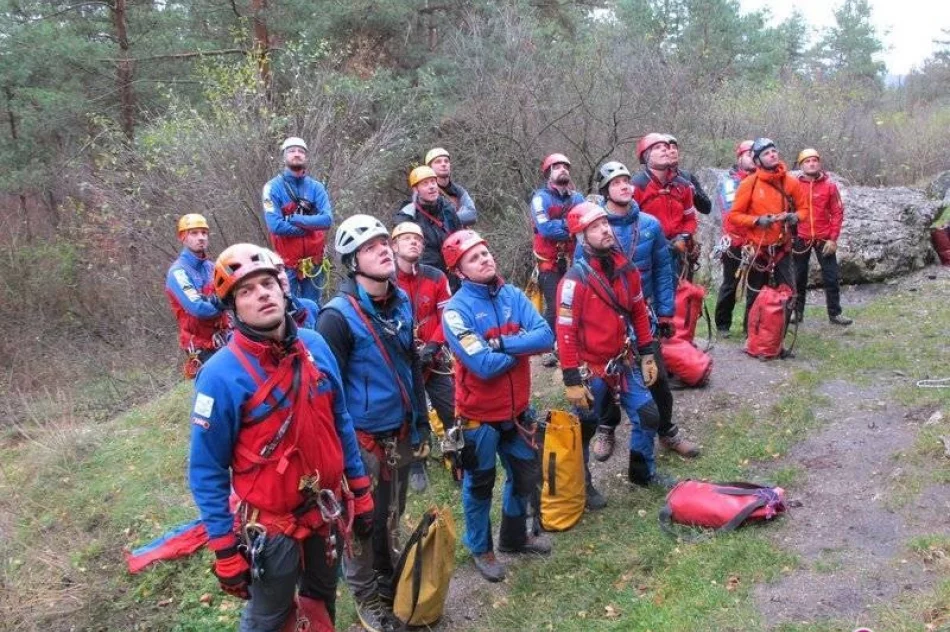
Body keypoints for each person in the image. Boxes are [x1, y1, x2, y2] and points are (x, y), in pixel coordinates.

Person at [188, 243, 373, 632]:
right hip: (272, 528)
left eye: (268, 283)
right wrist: (224, 546)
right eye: (246, 290)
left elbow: (339, 419)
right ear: (233, 307)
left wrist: (359, 486)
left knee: (321, 600)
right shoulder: (220, 376)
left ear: (283, 288)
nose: (262, 294)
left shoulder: (316, 345)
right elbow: (207, 470)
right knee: (268, 618)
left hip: (326, 510)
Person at [316, 214, 430, 632]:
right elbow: (326, 393)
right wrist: (342, 458)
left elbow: (411, 366)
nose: (383, 249)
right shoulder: (335, 318)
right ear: (352, 262)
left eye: (384, 242)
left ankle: (387, 575)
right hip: (361, 441)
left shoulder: (401, 301)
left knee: (390, 513)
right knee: (362, 521)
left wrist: (420, 426)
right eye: (370, 247)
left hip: (398, 432)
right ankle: (367, 598)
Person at [440, 229, 555, 583]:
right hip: (479, 418)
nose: (485, 259)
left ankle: (514, 537)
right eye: (473, 258)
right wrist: (522, 348)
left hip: (518, 411)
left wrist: (500, 344)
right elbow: (483, 366)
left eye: (485, 252)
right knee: (479, 484)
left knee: (524, 476)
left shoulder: (512, 295)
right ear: (459, 271)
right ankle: (481, 548)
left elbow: (546, 335)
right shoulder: (455, 312)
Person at [581, 162, 701, 463]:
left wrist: (664, 313)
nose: (625, 186)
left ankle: (667, 431)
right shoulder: (593, 229)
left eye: (626, 181)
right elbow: (580, 276)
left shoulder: (650, 225)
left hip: (641, 312)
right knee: (607, 376)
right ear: (605, 190)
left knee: (656, 375)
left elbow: (662, 270)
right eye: (616, 183)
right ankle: (607, 428)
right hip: (606, 318)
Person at [557, 202, 665, 506]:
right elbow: (564, 332)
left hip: (623, 358)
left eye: (605, 223)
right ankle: (583, 484)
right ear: (581, 236)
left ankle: (642, 473)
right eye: (595, 226)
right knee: (587, 424)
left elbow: (639, 313)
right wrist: (571, 378)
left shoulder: (626, 269)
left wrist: (647, 353)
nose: (605, 229)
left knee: (647, 415)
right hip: (590, 367)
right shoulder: (573, 281)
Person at [391, 221, 455, 493]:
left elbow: (448, 316)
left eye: (418, 239)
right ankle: (418, 461)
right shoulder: (386, 282)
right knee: (411, 413)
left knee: (450, 407)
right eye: (407, 238)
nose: (414, 242)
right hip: (403, 360)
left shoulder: (436, 277)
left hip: (434, 356)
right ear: (394, 246)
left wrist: (432, 346)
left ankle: (457, 451)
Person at [728, 138, 810, 331]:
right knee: (755, 293)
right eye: (766, 153)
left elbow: (804, 210)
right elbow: (734, 216)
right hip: (758, 248)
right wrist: (757, 220)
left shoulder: (790, 182)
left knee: (789, 293)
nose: (772, 154)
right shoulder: (749, 184)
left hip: (782, 248)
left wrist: (794, 217)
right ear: (757, 162)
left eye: (773, 151)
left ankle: (776, 335)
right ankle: (752, 334)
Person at [530, 153, 586, 367]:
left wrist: (564, 227)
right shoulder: (540, 198)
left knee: (574, 303)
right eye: (556, 166)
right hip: (549, 262)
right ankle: (548, 347)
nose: (562, 169)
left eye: (565, 166)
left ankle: (571, 344)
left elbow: (585, 222)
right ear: (548, 173)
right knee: (554, 306)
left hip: (573, 261)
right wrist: (572, 228)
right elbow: (545, 229)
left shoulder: (577, 198)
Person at [262, 137, 334, 305]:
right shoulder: (272, 188)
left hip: (314, 264)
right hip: (287, 265)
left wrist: (295, 219)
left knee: (314, 309)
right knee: (289, 310)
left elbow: (327, 220)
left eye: (301, 151)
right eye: (292, 151)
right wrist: (310, 226)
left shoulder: (316, 187)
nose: (296, 154)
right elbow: (275, 225)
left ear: (306, 157)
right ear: (284, 157)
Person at [792, 148, 853, 326]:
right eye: (807, 161)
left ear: (819, 163)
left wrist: (833, 239)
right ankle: (797, 312)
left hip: (824, 238)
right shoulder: (795, 186)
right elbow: (789, 211)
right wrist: (790, 236)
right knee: (798, 277)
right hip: (801, 238)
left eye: (814, 161)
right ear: (801, 165)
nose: (811, 164)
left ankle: (835, 314)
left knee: (831, 277)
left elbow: (837, 212)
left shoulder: (830, 186)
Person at [165, 213, 229, 378]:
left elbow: (233, 293)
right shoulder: (178, 272)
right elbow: (199, 309)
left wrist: (221, 301)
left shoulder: (212, 267)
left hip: (225, 336)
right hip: (201, 346)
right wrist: (223, 303)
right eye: (194, 233)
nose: (201, 238)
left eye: (204, 233)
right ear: (183, 237)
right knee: (217, 393)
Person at [631, 134, 698, 283]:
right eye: (657, 147)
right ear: (646, 155)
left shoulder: (683, 186)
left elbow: (690, 219)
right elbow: (630, 223)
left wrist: (684, 236)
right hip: (647, 252)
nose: (665, 150)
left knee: (676, 298)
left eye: (666, 147)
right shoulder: (636, 186)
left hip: (677, 252)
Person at [714, 140, 755, 336]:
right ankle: (723, 324)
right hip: (736, 241)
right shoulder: (730, 182)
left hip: (756, 241)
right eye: (749, 154)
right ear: (740, 158)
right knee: (730, 283)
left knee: (756, 284)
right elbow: (732, 213)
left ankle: (751, 326)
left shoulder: (762, 181)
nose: (753, 158)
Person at [263, 248, 320, 330]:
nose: (280, 277)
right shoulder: (260, 321)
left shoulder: (310, 307)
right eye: (271, 274)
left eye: (280, 269)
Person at [424, 147, 477, 226]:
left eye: (446, 161)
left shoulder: (458, 190)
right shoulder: (426, 192)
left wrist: (447, 219)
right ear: (429, 167)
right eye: (438, 162)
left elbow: (472, 215)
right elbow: (430, 223)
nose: (443, 164)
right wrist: (459, 216)